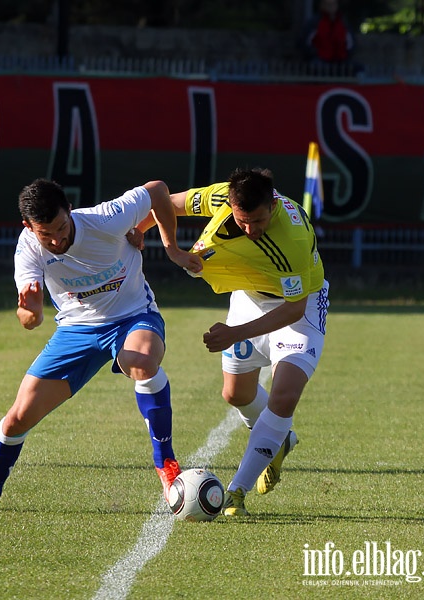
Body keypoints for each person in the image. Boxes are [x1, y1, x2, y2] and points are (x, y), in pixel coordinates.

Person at [0, 178, 202, 512]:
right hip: (75, 331)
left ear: (70, 210)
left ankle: (167, 464)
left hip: (133, 317)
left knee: (140, 361)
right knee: (17, 418)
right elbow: (29, 320)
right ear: (28, 227)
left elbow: (158, 191)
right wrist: (30, 310)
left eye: (61, 227)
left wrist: (170, 246)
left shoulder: (104, 218)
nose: (57, 239)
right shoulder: (28, 249)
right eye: (46, 234)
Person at [131, 167, 329, 517]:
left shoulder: (292, 240)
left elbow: (293, 308)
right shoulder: (223, 195)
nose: (250, 229)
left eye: (257, 221)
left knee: (284, 394)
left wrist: (236, 333)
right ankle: (278, 438)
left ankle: (237, 492)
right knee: (235, 394)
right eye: (242, 221)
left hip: (301, 306)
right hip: (250, 294)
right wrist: (141, 230)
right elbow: (170, 204)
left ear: (273, 206)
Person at [301, 0, 358, 71]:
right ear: (322, 5)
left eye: (333, 4)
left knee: (357, 68)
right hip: (320, 59)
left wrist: (346, 55)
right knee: (316, 66)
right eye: (327, 4)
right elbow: (304, 43)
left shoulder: (343, 23)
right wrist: (314, 54)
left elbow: (351, 44)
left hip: (341, 60)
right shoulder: (314, 23)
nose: (331, 7)